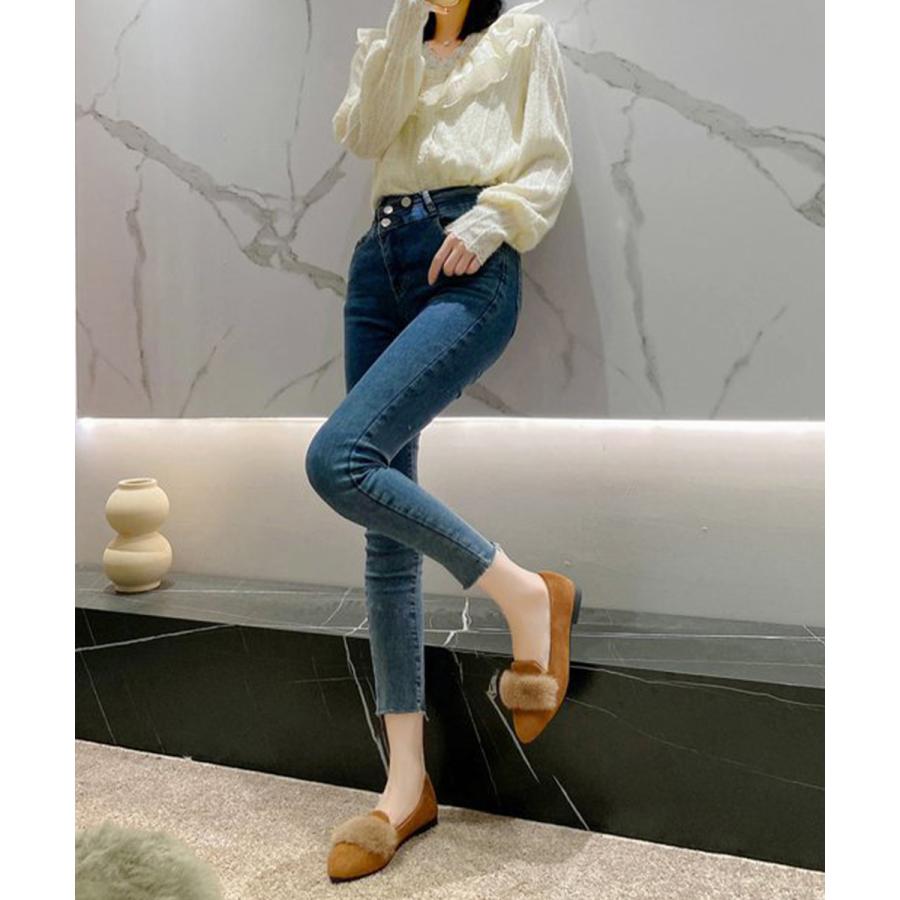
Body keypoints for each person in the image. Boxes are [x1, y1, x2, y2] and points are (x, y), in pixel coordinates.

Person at [305, 0, 579, 880]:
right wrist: (400, 24)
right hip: (377, 268)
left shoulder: (521, 35)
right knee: (382, 535)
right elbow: (367, 135)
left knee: (337, 460)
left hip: (467, 262)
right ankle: (406, 786)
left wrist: (491, 220)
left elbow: (547, 157)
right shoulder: (386, 45)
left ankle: (527, 596)